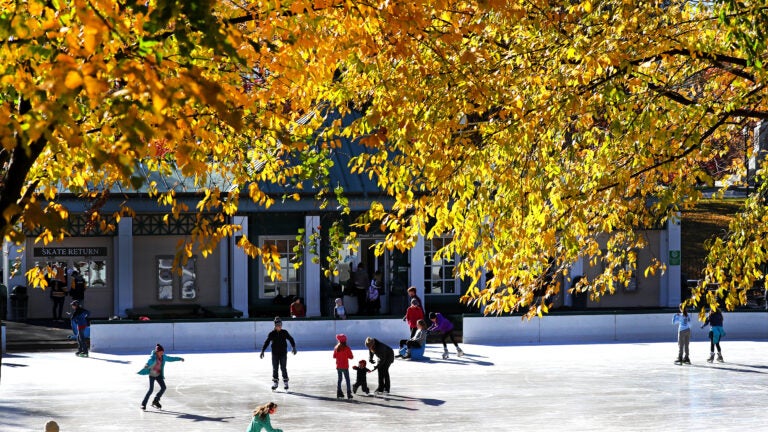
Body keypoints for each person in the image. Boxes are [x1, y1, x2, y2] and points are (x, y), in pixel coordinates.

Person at [137, 343, 185, 410]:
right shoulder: (153, 357)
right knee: (151, 390)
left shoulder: (163, 357)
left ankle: (155, 401)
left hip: (159, 375)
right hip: (152, 375)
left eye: (163, 352)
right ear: (157, 352)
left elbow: (171, 358)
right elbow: (149, 362)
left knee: (163, 387)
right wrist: (146, 365)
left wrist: (179, 359)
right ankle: (143, 404)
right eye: (161, 352)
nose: (162, 353)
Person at [260, 317, 297, 391]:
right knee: (275, 368)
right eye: (278, 325)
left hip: (283, 353)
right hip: (275, 354)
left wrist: (294, 347)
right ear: (275, 326)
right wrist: (262, 351)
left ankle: (286, 382)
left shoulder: (284, 332)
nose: (279, 326)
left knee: (283, 368)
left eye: (280, 325)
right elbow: (267, 342)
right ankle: (275, 382)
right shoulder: (272, 333)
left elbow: (291, 339)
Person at [333, 333, 354, 399]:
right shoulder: (347, 348)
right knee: (347, 380)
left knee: (340, 379)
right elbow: (351, 357)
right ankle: (349, 393)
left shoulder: (336, 348)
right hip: (345, 367)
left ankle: (339, 392)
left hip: (338, 366)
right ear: (345, 341)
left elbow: (334, 356)